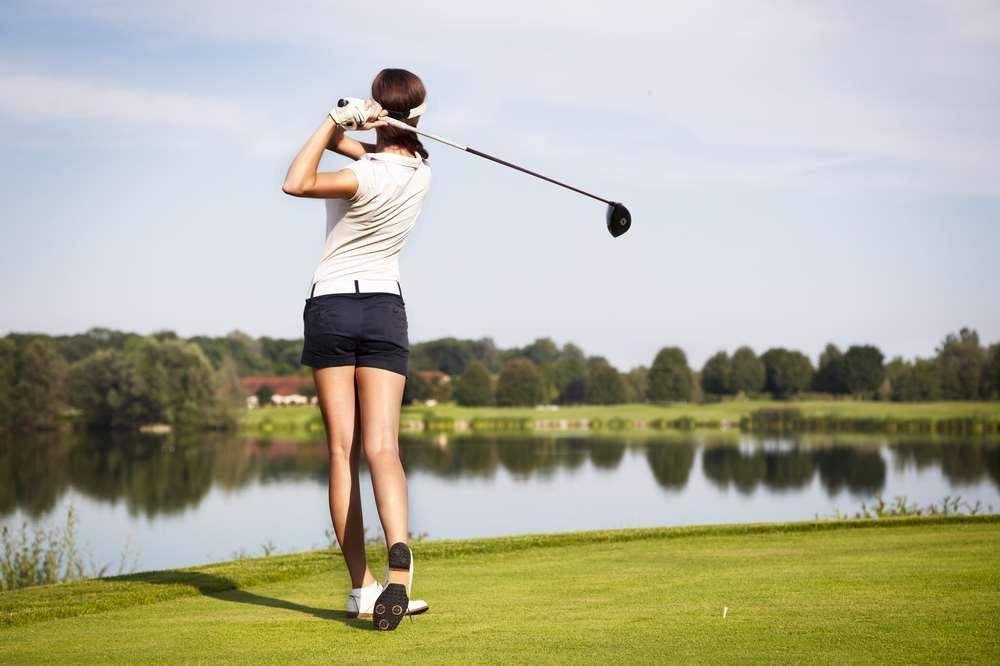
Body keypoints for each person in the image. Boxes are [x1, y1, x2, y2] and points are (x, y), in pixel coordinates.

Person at [281, 68, 431, 631]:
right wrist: (363, 121)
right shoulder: (419, 172)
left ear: (382, 113)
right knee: (384, 448)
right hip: (384, 310)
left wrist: (331, 119)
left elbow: (296, 182)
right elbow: (374, 149)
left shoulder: (356, 177)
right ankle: (401, 567)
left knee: (342, 451)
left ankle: (361, 589)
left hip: (333, 306)